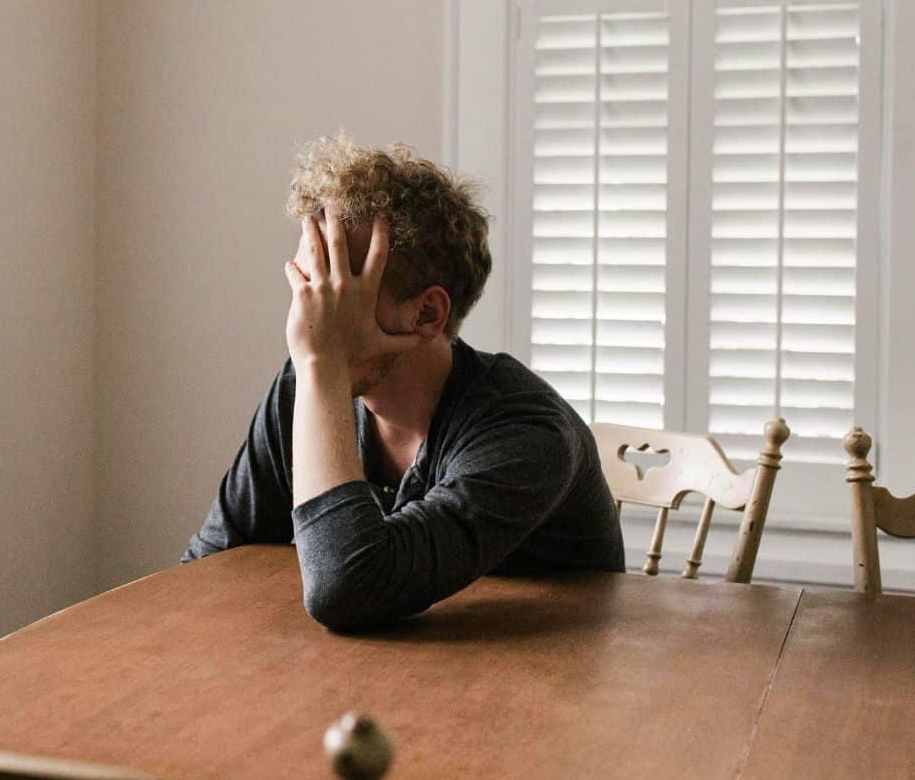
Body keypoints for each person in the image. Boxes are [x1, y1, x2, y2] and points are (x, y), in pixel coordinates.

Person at [182, 133, 623, 631]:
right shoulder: (306, 384)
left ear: (427, 313)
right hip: (390, 666)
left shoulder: (528, 433)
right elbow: (208, 566)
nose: (306, 320)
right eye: (306, 286)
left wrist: (322, 366)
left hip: (548, 670)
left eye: (334, 290)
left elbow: (346, 589)